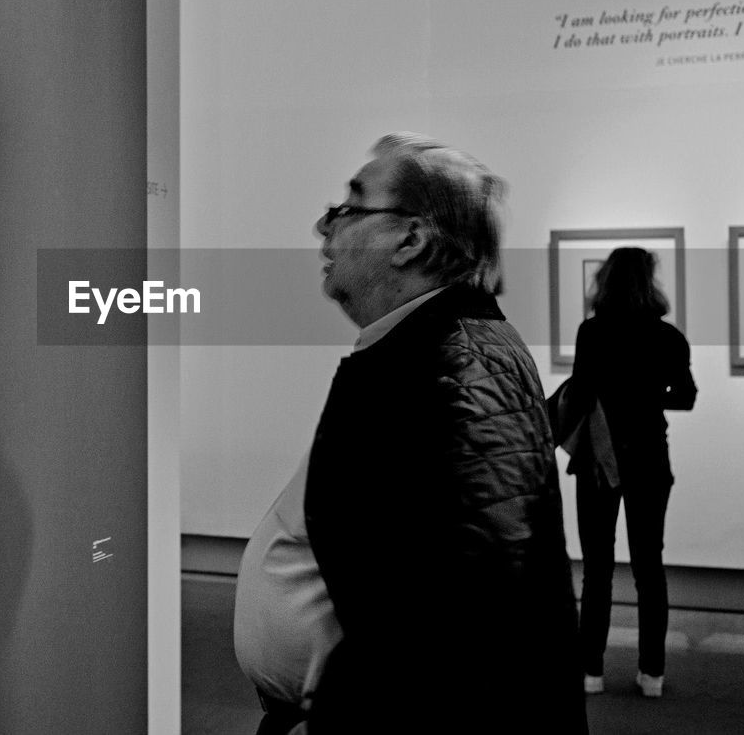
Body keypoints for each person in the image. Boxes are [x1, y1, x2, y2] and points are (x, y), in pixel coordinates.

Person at [233, 132, 586, 734]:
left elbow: (466, 619)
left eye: (349, 208)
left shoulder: (454, 365)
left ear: (412, 239)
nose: (325, 227)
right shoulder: (428, 349)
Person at [567, 247, 696, 699]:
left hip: (599, 460)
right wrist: (649, 395)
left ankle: (591, 672)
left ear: (606, 279)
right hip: (649, 459)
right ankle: (652, 675)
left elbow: (581, 392)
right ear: (650, 280)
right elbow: (686, 397)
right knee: (649, 567)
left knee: (597, 570)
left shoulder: (592, 332)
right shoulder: (668, 337)